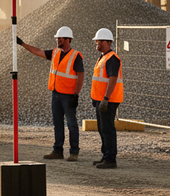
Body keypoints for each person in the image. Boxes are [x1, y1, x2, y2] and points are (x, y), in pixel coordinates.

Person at [17, 26, 85, 161]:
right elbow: (38, 51)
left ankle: (74, 152)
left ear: (68, 39)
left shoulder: (75, 56)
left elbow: (80, 75)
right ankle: (57, 151)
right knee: (57, 123)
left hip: (68, 96)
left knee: (72, 124)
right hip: (56, 94)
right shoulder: (55, 53)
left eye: (60, 38)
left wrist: (76, 94)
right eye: (57, 38)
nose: (58, 40)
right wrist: (22, 44)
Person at [90, 28, 123, 169]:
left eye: (99, 40)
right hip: (101, 100)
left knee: (107, 129)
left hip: (108, 101)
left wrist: (106, 98)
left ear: (108, 42)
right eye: (96, 41)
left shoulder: (112, 58)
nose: (96, 43)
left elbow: (112, 79)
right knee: (102, 128)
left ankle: (110, 159)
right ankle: (106, 156)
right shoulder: (103, 57)